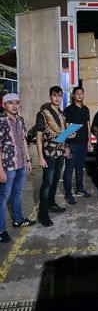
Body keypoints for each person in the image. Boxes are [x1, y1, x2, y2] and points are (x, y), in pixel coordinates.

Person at [0, 93, 36, 244]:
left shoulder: (20, 120)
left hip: (21, 164)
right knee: (3, 199)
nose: (14, 106)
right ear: (4, 105)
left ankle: (18, 219)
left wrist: (28, 160)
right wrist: (0, 170)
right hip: (7, 166)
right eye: (10, 103)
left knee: (18, 193)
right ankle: (1, 230)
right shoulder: (1, 122)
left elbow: (23, 140)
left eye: (16, 103)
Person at [36, 86, 67, 227]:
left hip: (60, 152)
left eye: (60, 95)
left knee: (55, 181)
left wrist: (66, 145)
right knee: (47, 183)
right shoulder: (43, 113)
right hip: (48, 153)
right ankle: (43, 214)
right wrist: (40, 157)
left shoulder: (62, 113)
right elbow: (39, 137)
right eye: (55, 95)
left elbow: (63, 134)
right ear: (50, 96)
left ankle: (51, 203)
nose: (57, 98)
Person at [63, 86, 91, 204]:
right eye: (77, 93)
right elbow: (66, 127)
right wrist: (66, 145)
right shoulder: (68, 110)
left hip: (83, 143)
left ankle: (80, 189)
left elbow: (88, 125)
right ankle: (68, 194)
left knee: (80, 168)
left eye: (81, 93)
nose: (80, 95)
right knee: (69, 170)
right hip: (72, 144)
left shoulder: (86, 109)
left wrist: (89, 141)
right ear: (73, 96)